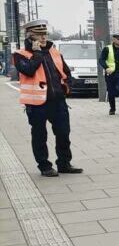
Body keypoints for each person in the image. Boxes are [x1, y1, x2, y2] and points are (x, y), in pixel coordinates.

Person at [13, 20, 83, 177]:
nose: (43, 37)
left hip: (58, 101)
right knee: (39, 136)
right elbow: (29, 70)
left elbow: (65, 72)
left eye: (44, 34)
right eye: (39, 34)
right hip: (36, 104)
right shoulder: (20, 55)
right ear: (30, 36)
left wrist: (67, 87)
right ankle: (44, 166)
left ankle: (64, 164)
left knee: (64, 133)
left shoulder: (54, 52)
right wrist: (37, 53)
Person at [99, 33, 119, 117]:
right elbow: (101, 60)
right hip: (111, 73)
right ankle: (112, 108)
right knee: (111, 92)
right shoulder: (107, 49)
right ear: (114, 40)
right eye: (118, 39)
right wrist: (106, 68)